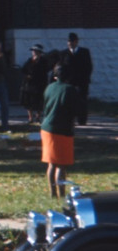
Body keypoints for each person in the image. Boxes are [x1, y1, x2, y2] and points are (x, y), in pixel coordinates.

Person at [41, 63, 80, 199]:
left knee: (51, 163)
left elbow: (45, 108)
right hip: (62, 129)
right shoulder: (70, 89)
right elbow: (75, 110)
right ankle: (62, 194)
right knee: (62, 165)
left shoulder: (49, 88)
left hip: (47, 128)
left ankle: (53, 194)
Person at [61, 32, 92, 126]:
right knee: (69, 102)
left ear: (77, 42)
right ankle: (70, 120)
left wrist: (85, 78)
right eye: (69, 41)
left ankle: (82, 120)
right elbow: (62, 67)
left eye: (73, 41)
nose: (71, 43)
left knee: (82, 101)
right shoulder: (64, 53)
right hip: (69, 82)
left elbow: (89, 66)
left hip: (82, 81)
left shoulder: (84, 52)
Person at [19, 44, 51, 123]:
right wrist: (27, 76)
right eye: (33, 51)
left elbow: (45, 70)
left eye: (36, 51)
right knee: (29, 101)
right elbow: (24, 70)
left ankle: (38, 117)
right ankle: (30, 117)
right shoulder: (30, 60)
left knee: (39, 101)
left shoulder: (43, 61)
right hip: (30, 83)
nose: (34, 52)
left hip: (40, 83)